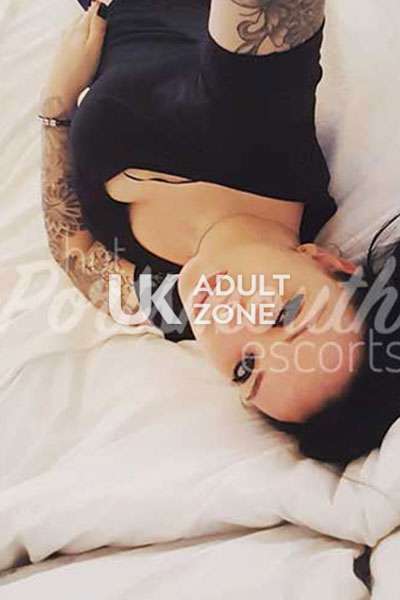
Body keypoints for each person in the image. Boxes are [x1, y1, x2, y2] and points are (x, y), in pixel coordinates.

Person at [40, 0, 400, 465]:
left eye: (246, 367)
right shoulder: (260, 119)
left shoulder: (179, 304)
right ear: (326, 261)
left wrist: (57, 107)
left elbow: (73, 252)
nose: (232, 322)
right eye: (285, 313)